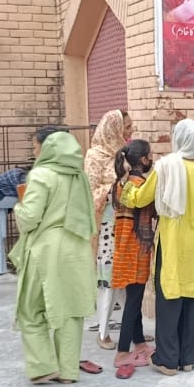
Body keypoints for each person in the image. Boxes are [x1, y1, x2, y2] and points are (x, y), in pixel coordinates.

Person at [121, 119, 194, 375]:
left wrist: (125, 191)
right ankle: (188, 358)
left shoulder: (165, 166)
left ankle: (167, 360)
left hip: (172, 240)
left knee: (170, 297)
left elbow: (141, 197)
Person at [10, 128, 98, 385]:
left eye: (36, 146)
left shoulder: (40, 175)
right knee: (70, 311)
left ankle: (42, 365)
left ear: (48, 148)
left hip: (47, 249)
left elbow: (30, 218)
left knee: (29, 308)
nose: (34, 151)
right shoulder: (79, 176)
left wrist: (18, 206)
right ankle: (68, 371)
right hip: (77, 248)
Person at [108, 139, 156, 378]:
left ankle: (138, 342)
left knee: (132, 297)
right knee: (134, 300)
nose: (152, 159)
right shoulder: (140, 184)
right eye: (150, 155)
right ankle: (122, 351)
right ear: (143, 160)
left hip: (123, 246)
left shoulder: (121, 182)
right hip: (137, 247)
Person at [84, 110, 130, 344]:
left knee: (125, 278)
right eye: (127, 127)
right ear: (114, 129)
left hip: (125, 223)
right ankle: (103, 332)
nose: (130, 132)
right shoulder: (95, 155)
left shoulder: (123, 154)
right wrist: (116, 184)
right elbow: (89, 194)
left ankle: (134, 329)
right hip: (105, 227)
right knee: (108, 278)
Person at [0, 164, 26, 283]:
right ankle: (1, 273)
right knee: (27, 202)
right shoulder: (20, 176)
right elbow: (25, 198)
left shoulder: (17, 174)